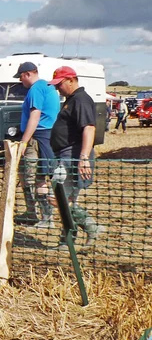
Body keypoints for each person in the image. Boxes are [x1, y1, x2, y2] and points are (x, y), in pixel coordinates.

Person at [48, 66, 104, 247]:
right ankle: (67, 240)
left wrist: (84, 158)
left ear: (71, 80)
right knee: (64, 199)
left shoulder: (80, 99)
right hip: (66, 155)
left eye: (60, 84)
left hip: (72, 156)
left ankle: (90, 228)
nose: (58, 88)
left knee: (57, 198)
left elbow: (89, 127)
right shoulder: (71, 100)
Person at [14, 62, 60, 228]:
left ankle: (44, 217)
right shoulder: (47, 87)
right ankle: (33, 212)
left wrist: (24, 141)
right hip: (47, 136)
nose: (21, 81)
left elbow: (34, 116)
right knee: (33, 177)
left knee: (33, 178)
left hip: (37, 138)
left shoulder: (35, 89)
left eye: (20, 77)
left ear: (27, 74)